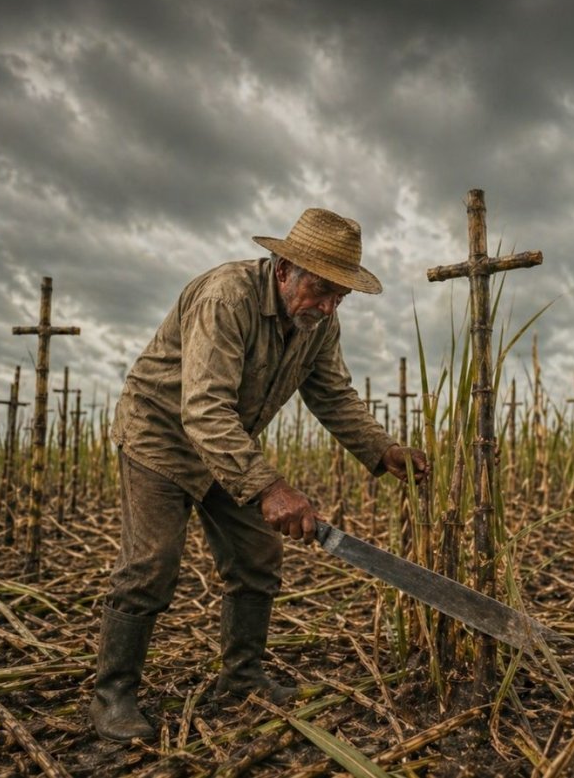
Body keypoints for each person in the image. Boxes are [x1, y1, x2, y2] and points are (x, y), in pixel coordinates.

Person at [89, 208, 428, 742]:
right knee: (151, 562)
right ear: (284, 269)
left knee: (257, 555)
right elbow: (202, 408)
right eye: (320, 289)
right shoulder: (227, 297)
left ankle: (242, 680)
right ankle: (112, 697)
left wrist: (383, 449)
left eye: (340, 296)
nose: (327, 305)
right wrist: (269, 487)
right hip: (161, 436)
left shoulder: (318, 323)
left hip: (226, 447)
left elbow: (331, 392)